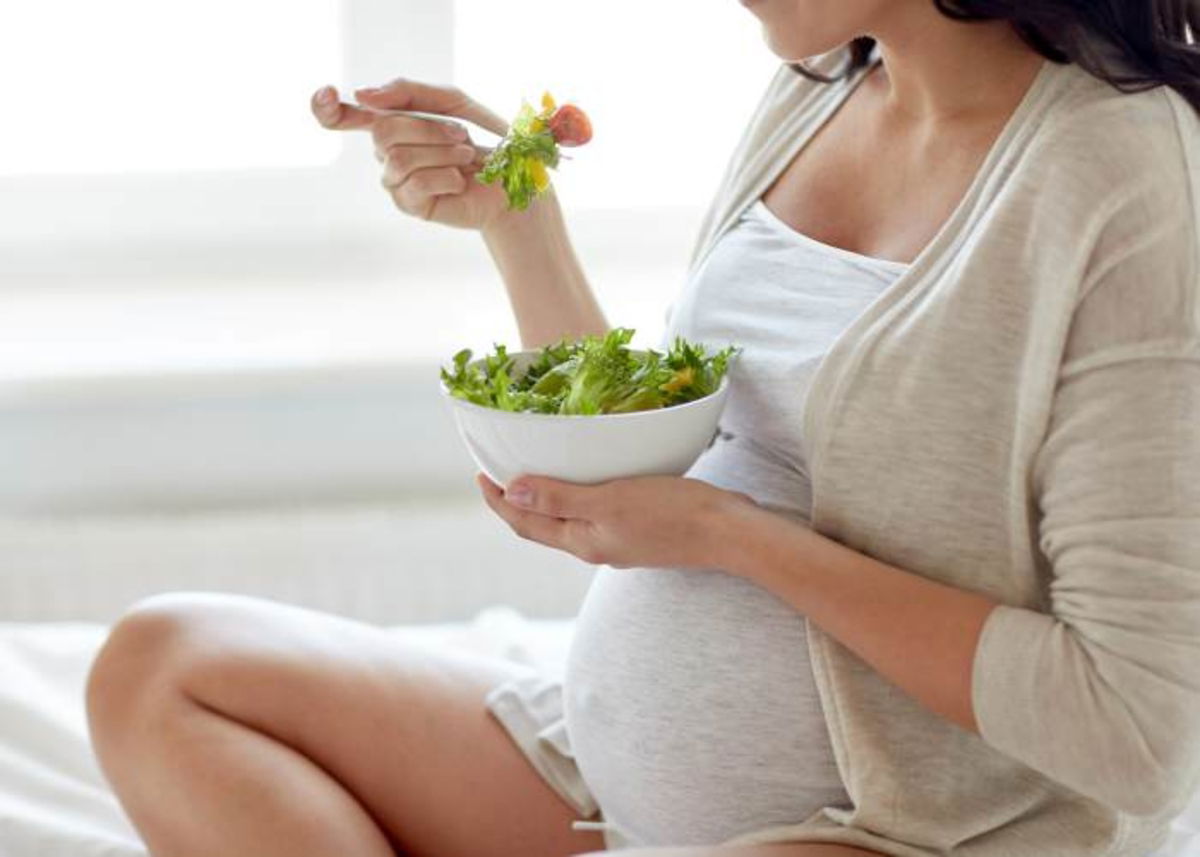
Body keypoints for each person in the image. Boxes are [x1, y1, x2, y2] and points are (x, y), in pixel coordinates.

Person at [85, 1, 1200, 856]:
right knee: (163, 668)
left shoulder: (1124, 177)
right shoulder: (824, 84)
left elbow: (1138, 733)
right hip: (599, 775)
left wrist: (734, 538)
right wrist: (520, 228)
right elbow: (701, 446)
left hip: (894, 828)